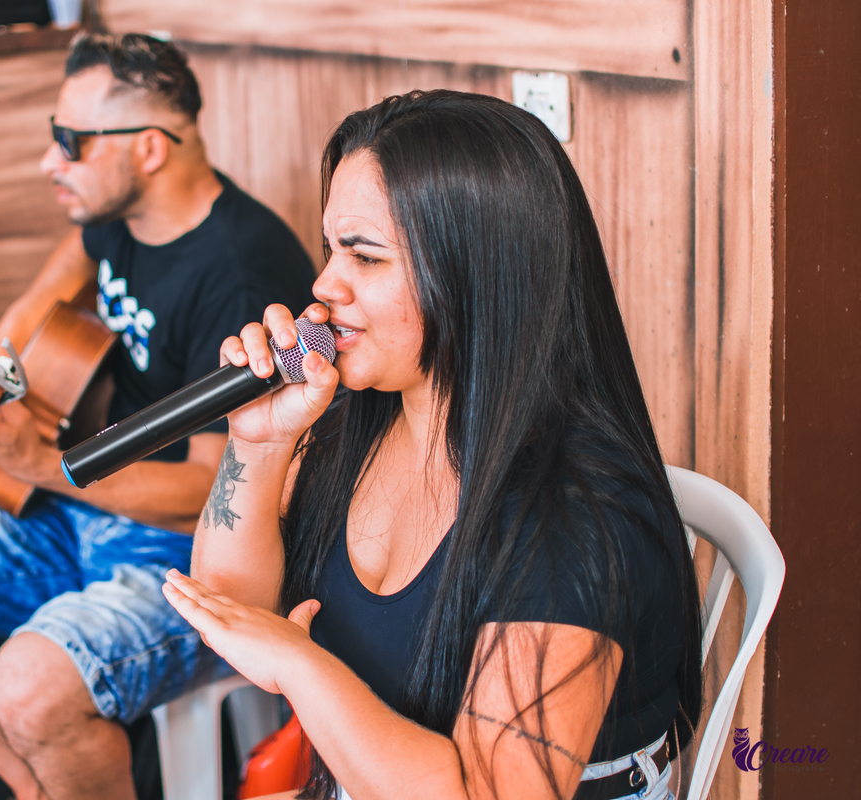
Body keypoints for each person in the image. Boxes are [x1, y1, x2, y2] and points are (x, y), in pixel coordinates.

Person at [162, 89, 705, 800]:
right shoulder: (358, 422)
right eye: (331, 249)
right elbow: (234, 607)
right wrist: (259, 444)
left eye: (366, 258)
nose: (324, 284)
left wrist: (302, 668)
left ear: (474, 275)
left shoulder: (574, 518)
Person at [0, 32, 317, 800]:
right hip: (77, 504)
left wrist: (45, 467)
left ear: (152, 150)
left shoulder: (241, 277)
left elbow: (209, 487)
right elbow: (63, 275)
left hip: (189, 553)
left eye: (70, 142)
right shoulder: (119, 214)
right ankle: (31, 786)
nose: (49, 161)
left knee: (29, 685)